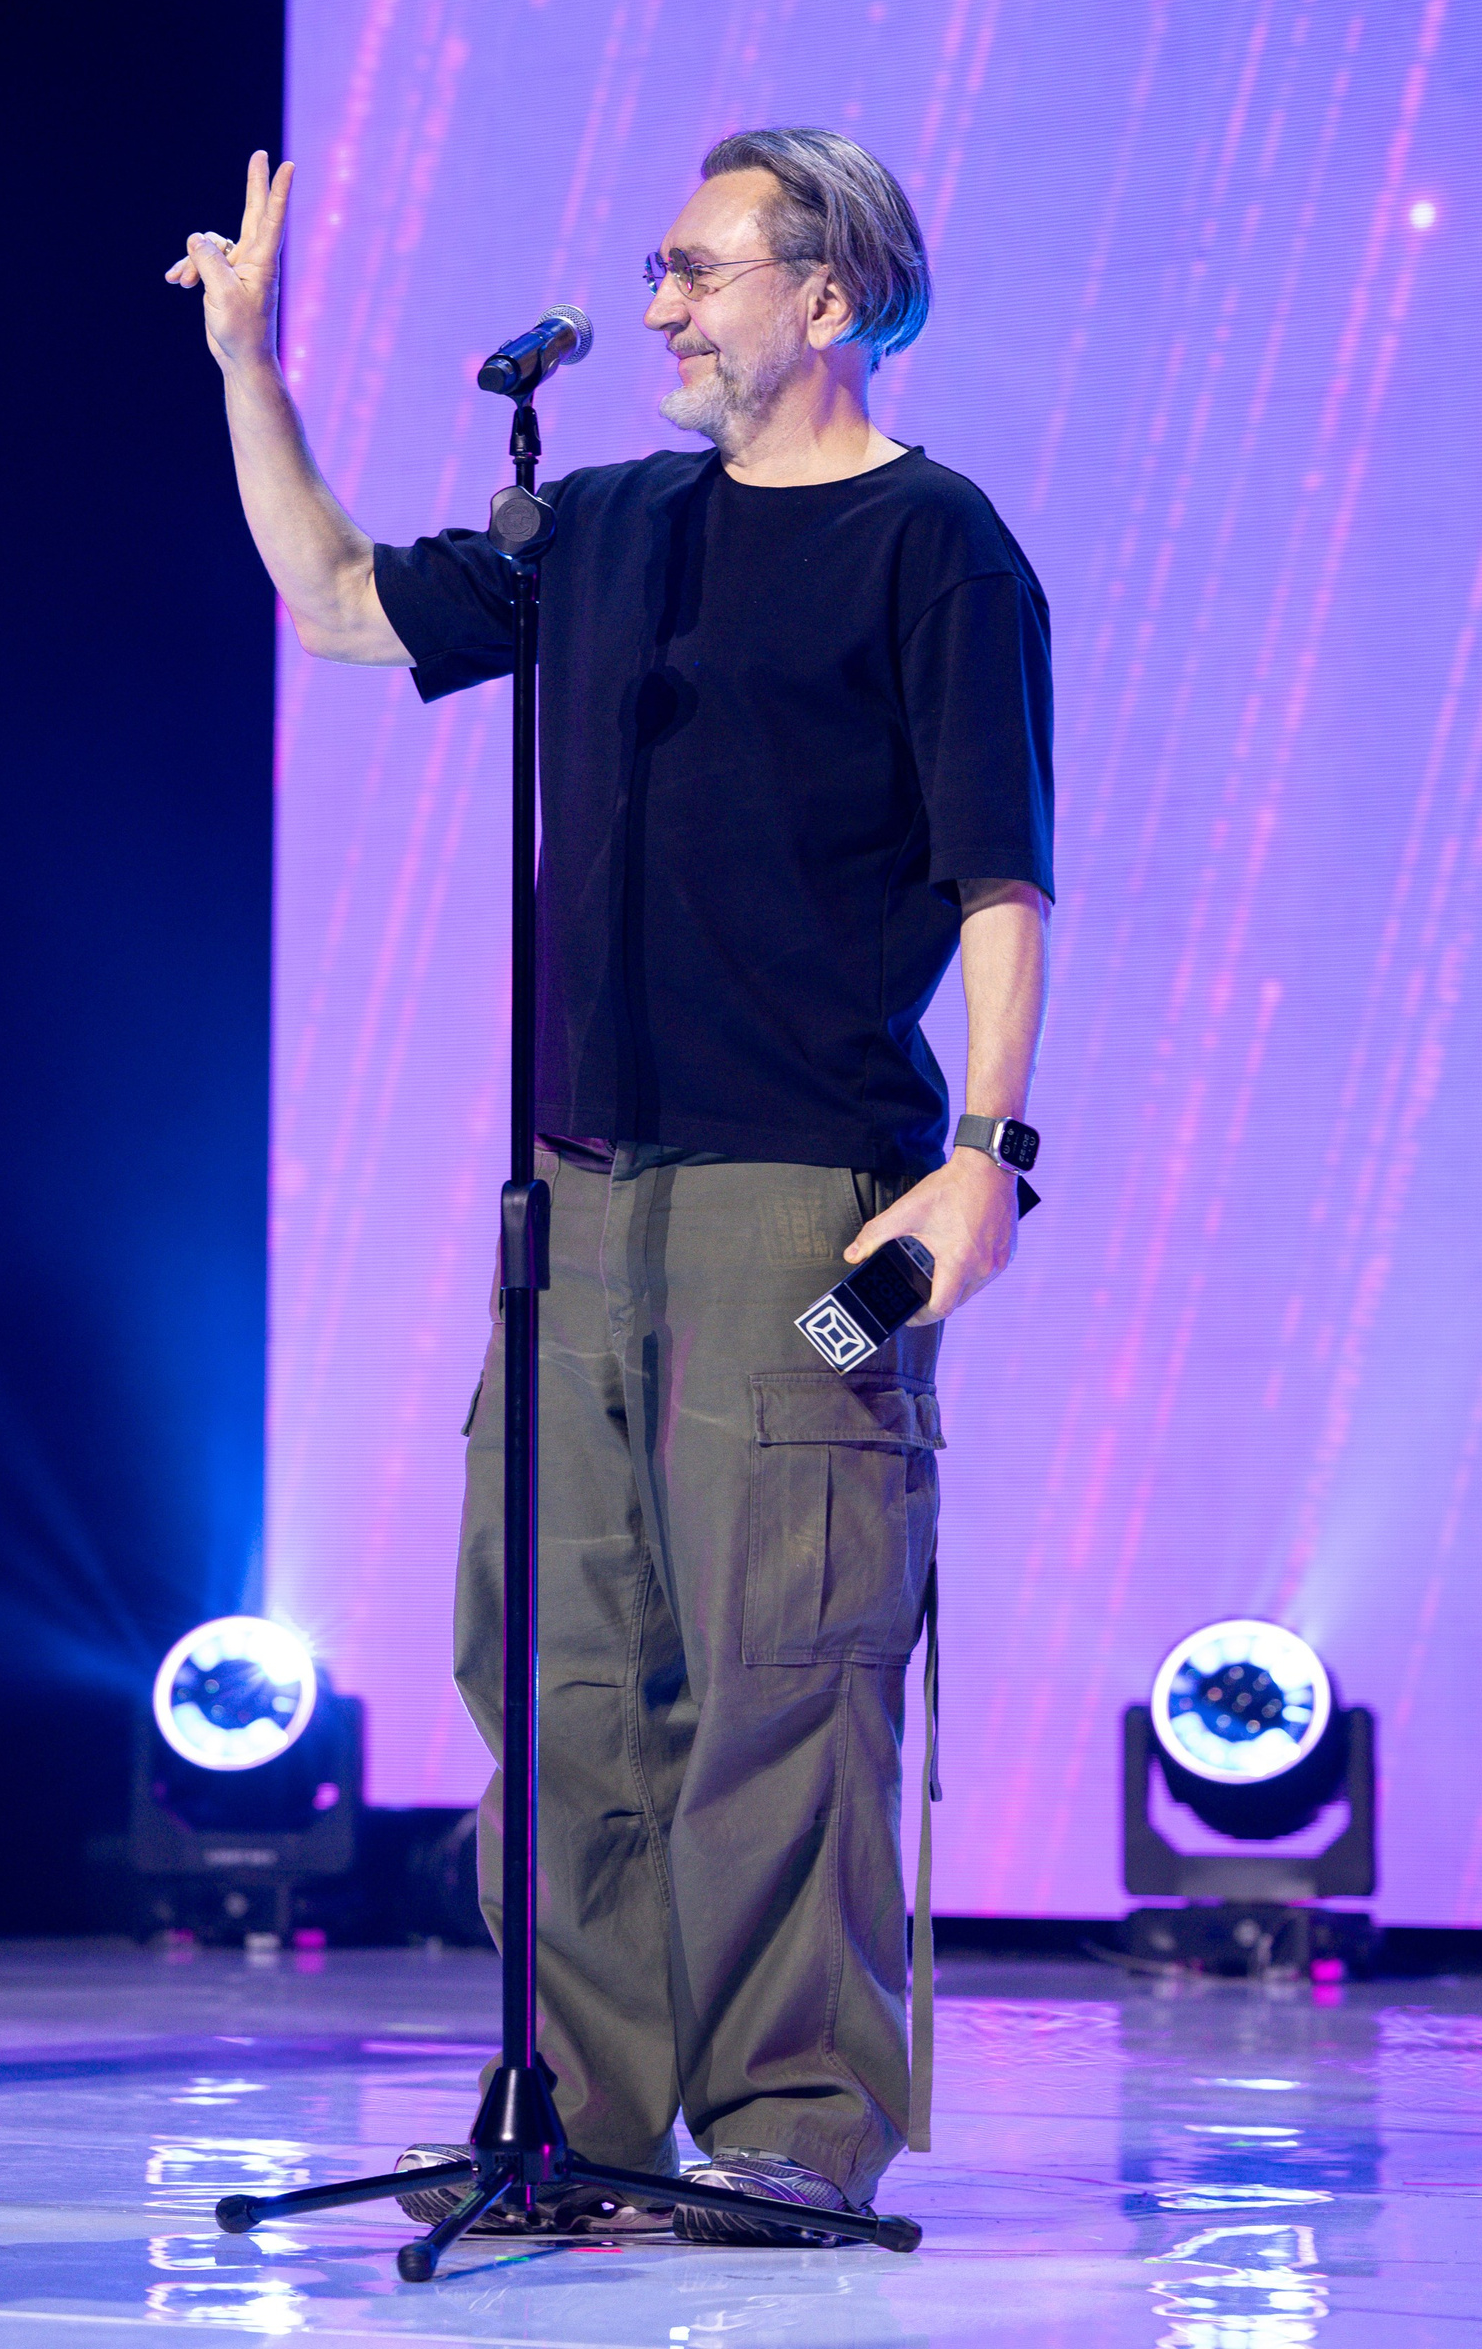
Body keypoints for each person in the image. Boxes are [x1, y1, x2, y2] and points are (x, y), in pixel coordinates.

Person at [169, 127, 1054, 2240]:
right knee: (566, 1665)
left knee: (782, 1666)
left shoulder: (937, 545)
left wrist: (986, 1158)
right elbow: (337, 602)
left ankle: (787, 2122)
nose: (658, 304)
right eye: (655, 267)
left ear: (828, 295)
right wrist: (249, 367)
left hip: (799, 1194)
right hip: (576, 1200)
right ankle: (583, 2117)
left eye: (696, 268)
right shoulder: (606, 524)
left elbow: (1001, 880)